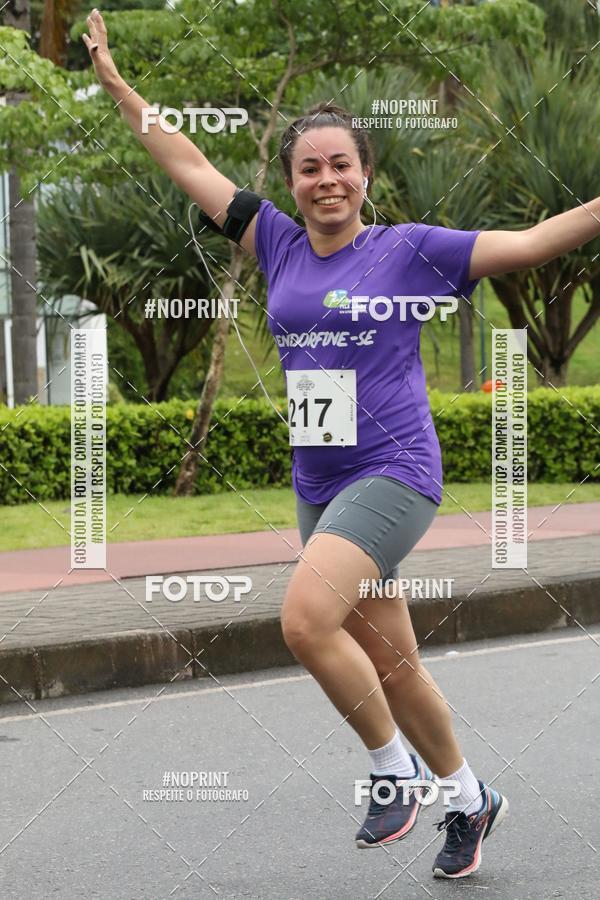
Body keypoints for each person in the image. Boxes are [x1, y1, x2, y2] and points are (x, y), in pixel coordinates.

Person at [83, 9, 600, 880]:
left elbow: (534, 241)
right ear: (291, 181)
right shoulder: (274, 241)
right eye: (309, 167)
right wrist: (115, 84)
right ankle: (471, 799)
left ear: (366, 175)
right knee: (393, 666)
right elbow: (185, 160)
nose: (326, 180)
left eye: (341, 166)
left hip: (394, 472)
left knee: (303, 619)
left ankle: (390, 772)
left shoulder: (411, 252)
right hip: (318, 481)